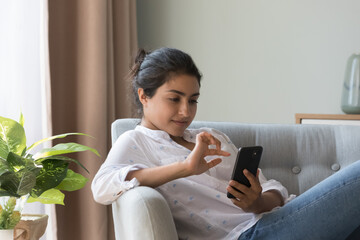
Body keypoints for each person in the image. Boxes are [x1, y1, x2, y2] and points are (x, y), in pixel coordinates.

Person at [91, 47, 360, 240]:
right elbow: (102, 186)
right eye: (174, 99)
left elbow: (272, 187)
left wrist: (256, 202)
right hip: (245, 235)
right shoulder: (136, 140)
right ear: (144, 96)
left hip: (275, 220)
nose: (186, 111)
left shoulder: (210, 136)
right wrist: (185, 168)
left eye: (193, 100)